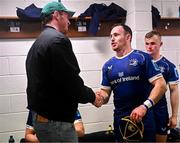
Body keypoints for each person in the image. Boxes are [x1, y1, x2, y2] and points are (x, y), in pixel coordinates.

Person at [25, 1, 102, 142]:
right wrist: (92, 97)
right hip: (55, 121)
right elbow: (70, 82)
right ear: (56, 15)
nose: (69, 21)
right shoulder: (57, 41)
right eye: (67, 17)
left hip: (43, 118)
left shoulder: (39, 42)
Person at [97, 23, 167, 142]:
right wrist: (98, 97)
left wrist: (145, 106)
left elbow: (161, 85)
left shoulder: (142, 58)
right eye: (111, 36)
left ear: (128, 37)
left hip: (143, 118)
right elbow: (105, 93)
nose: (112, 39)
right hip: (120, 121)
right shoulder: (107, 66)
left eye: (116, 35)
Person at [145, 30, 179, 142]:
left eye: (153, 43)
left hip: (160, 109)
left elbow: (174, 91)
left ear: (160, 44)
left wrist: (174, 116)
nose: (149, 47)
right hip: (143, 108)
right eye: (147, 43)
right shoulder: (140, 63)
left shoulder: (168, 66)